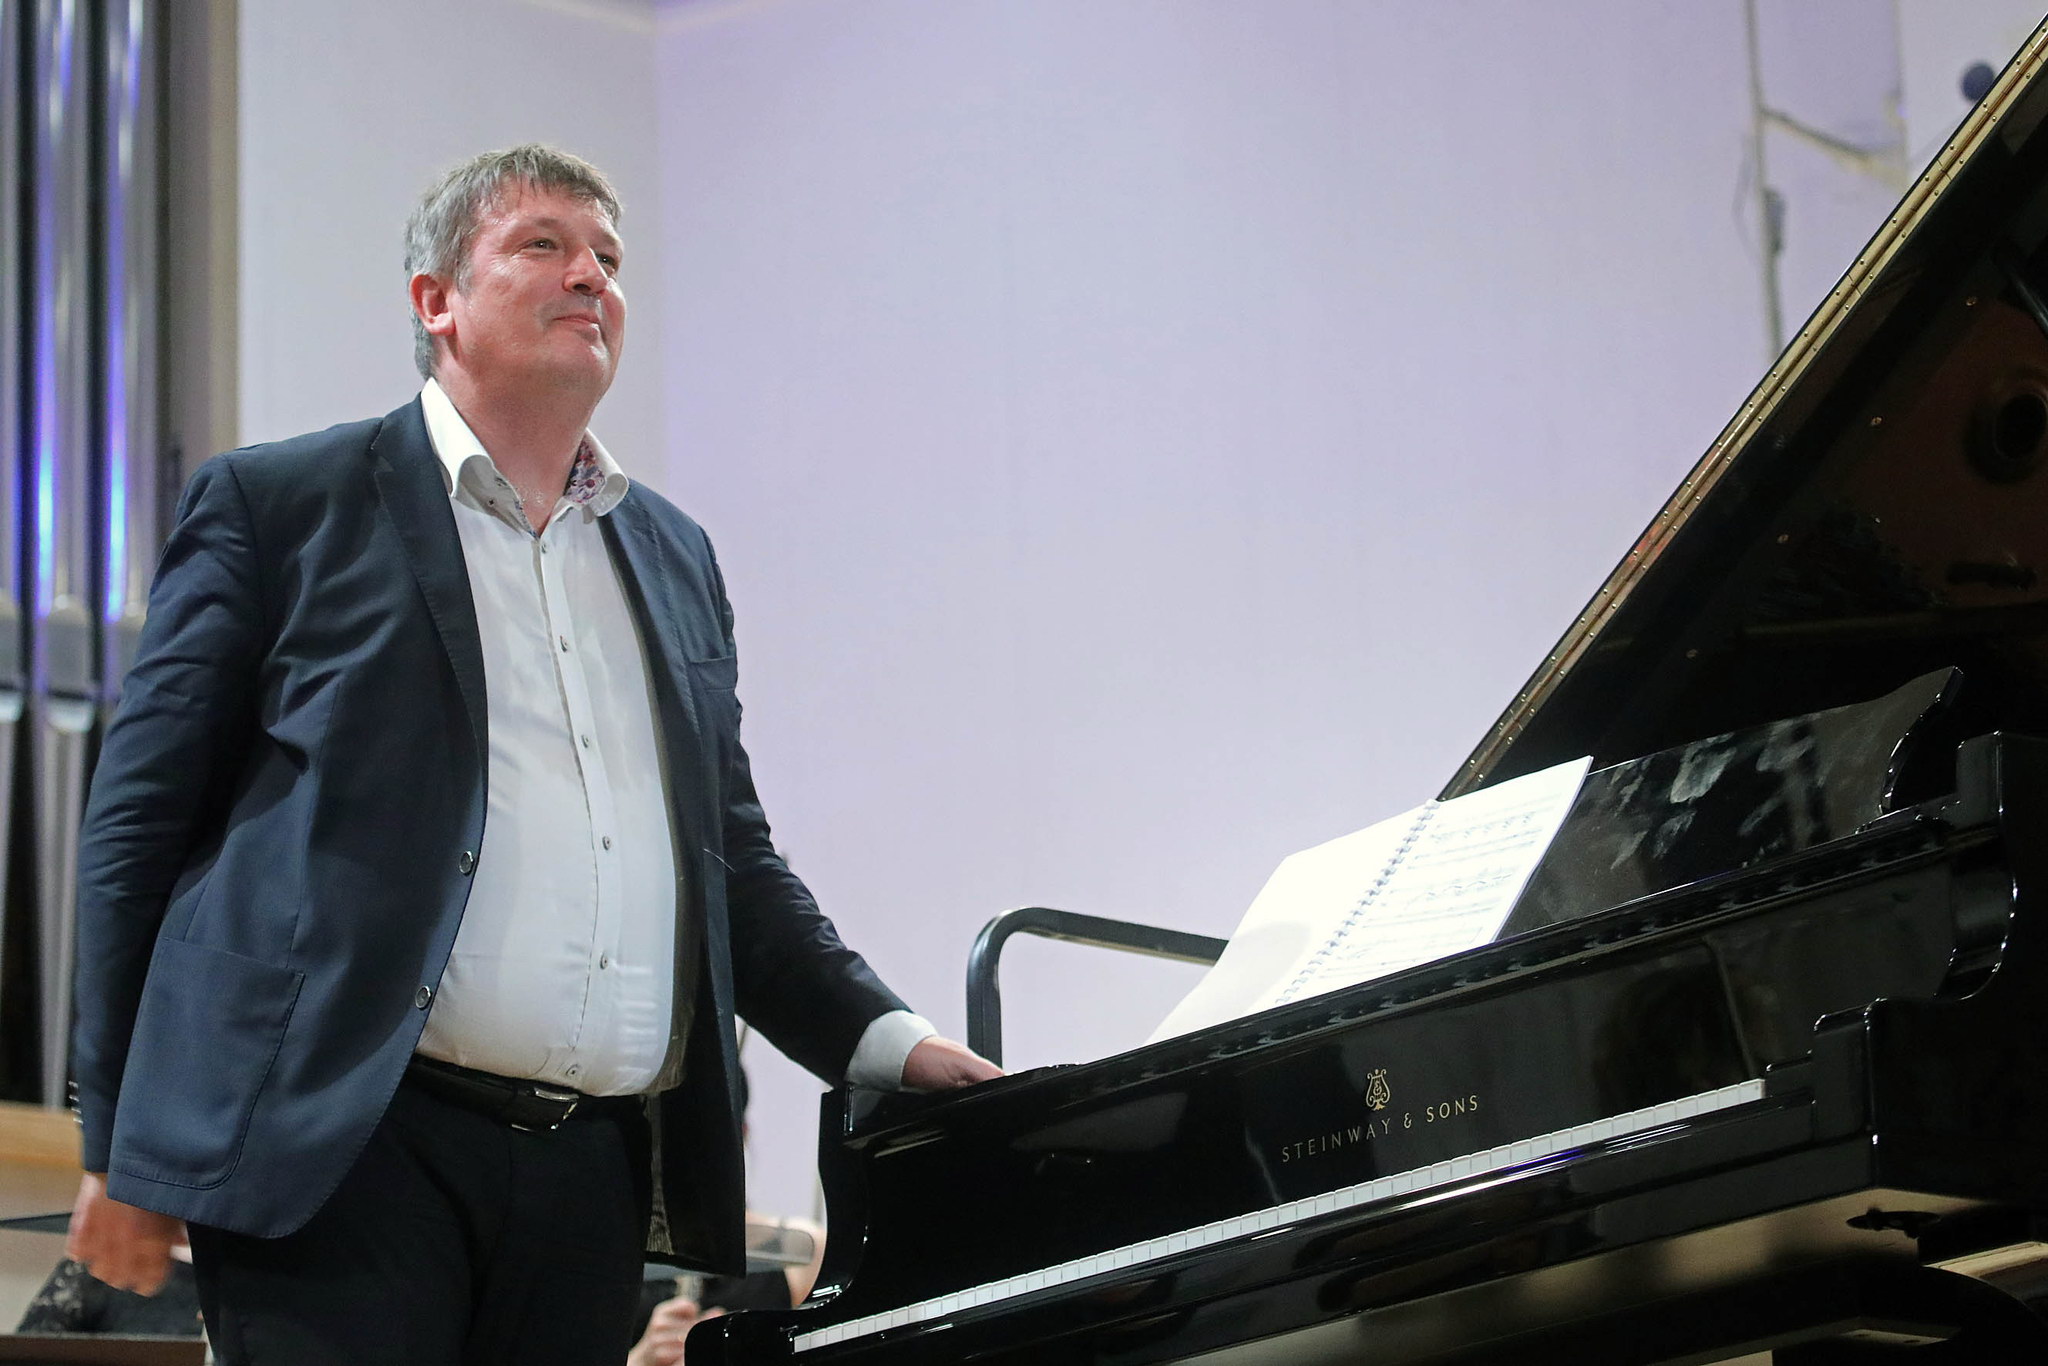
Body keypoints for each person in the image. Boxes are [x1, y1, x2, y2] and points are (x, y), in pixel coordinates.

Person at [64, 144, 999, 1366]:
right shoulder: (281, 506)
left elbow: (728, 866)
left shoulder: (673, 555)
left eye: (608, 256)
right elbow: (136, 826)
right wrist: (119, 1142)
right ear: (435, 300)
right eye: (543, 245)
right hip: (342, 1149)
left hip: (590, 1172)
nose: (590, 277)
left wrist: (891, 1043)